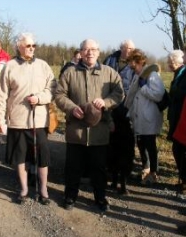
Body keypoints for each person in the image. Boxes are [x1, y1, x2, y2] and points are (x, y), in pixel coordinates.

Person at [55, 39, 124, 212]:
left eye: (93, 49)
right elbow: (59, 94)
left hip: (99, 131)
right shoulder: (70, 72)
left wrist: (106, 102)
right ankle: (70, 196)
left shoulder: (109, 73)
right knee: (73, 166)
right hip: (76, 131)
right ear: (81, 52)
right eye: (86, 49)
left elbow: (119, 93)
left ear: (99, 52)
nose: (90, 53)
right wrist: (71, 108)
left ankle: (100, 198)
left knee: (99, 168)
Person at [0, 32, 56, 205]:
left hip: (39, 121)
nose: (31, 48)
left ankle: (43, 189)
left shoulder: (43, 65)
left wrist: (40, 98)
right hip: (18, 121)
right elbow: (0, 95)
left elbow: (53, 89)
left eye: (33, 45)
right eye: (28, 45)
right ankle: (24, 189)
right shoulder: (10, 66)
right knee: (20, 158)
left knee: (42, 157)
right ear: (19, 46)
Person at [125, 49, 165, 185]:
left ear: (139, 62)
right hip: (140, 117)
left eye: (133, 66)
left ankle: (154, 173)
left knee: (150, 145)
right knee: (141, 144)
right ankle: (145, 169)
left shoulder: (152, 74)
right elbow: (134, 98)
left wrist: (144, 88)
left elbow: (158, 94)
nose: (132, 69)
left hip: (149, 117)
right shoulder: (139, 75)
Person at [103, 40, 136, 194]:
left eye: (131, 48)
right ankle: (113, 178)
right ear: (121, 48)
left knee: (127, 149)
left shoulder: (136, 64)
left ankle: (123, 182)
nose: (128, 51)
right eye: (126, 48)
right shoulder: (110, 60)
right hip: (112, 109)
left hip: (129, 111)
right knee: (112, 147)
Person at [166, 49, 186, 194]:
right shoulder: (179, 74)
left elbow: (179, 93)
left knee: (180, 151)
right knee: (177, 149)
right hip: (178, 117)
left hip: (181, 116)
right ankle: (183, 179)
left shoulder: (183, 74)